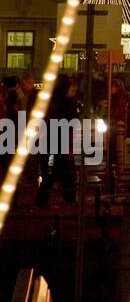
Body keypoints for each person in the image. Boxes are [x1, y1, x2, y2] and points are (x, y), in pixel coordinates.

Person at [35, 74, 79, 206]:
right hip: (60, 138)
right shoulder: (66, 102)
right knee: (61, 169)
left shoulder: (50, 99)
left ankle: (50, 197)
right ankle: (64, 196)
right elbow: (72, 121)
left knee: (58, 170)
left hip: (48, 136)